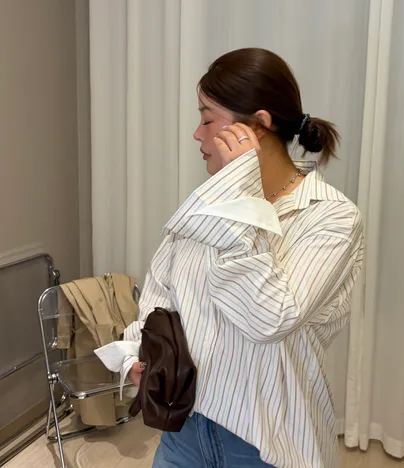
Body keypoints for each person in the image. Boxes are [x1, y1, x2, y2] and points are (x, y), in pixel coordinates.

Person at [122, 48, 364, 468]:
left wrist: (238, 197)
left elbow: (268, 318)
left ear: (258, 125)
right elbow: (160, 297)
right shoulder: (206, 206)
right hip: (185, 429)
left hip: (267, 442)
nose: (196, 134)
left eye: (207, 120)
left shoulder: (331, 216)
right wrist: (133, 356)